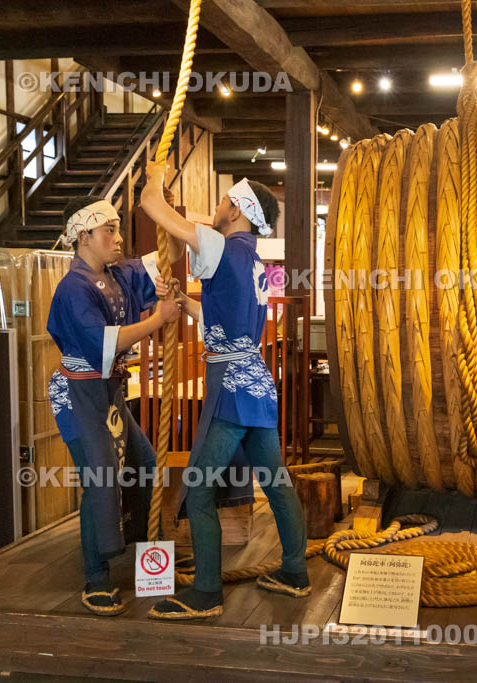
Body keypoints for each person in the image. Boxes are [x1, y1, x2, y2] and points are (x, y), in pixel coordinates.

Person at [139, 165, 309, 620]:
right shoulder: (251, 256)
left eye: (221, 201)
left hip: (229, 388)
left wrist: (156, 177)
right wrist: (185, 302)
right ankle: (294, 571)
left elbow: (150, 207)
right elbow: (225, 320)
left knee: (197, 487)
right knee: (274, 482)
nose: (215, 208)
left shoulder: (218, 244)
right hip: (255, 380)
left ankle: (207, 592)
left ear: (236, 209)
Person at [47, 195, 182, 616]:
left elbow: (170, 250)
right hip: (80, 394)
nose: (119, 239)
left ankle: (142, 552)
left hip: (109, 393)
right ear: (85, 236)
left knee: (144, 465)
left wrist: (164, 211)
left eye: (120, 230)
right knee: (101, 478)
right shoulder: (73, 288)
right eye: (111, 231)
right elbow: (105, 346)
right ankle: (96, 576)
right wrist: (158, 320)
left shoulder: (117, 273)